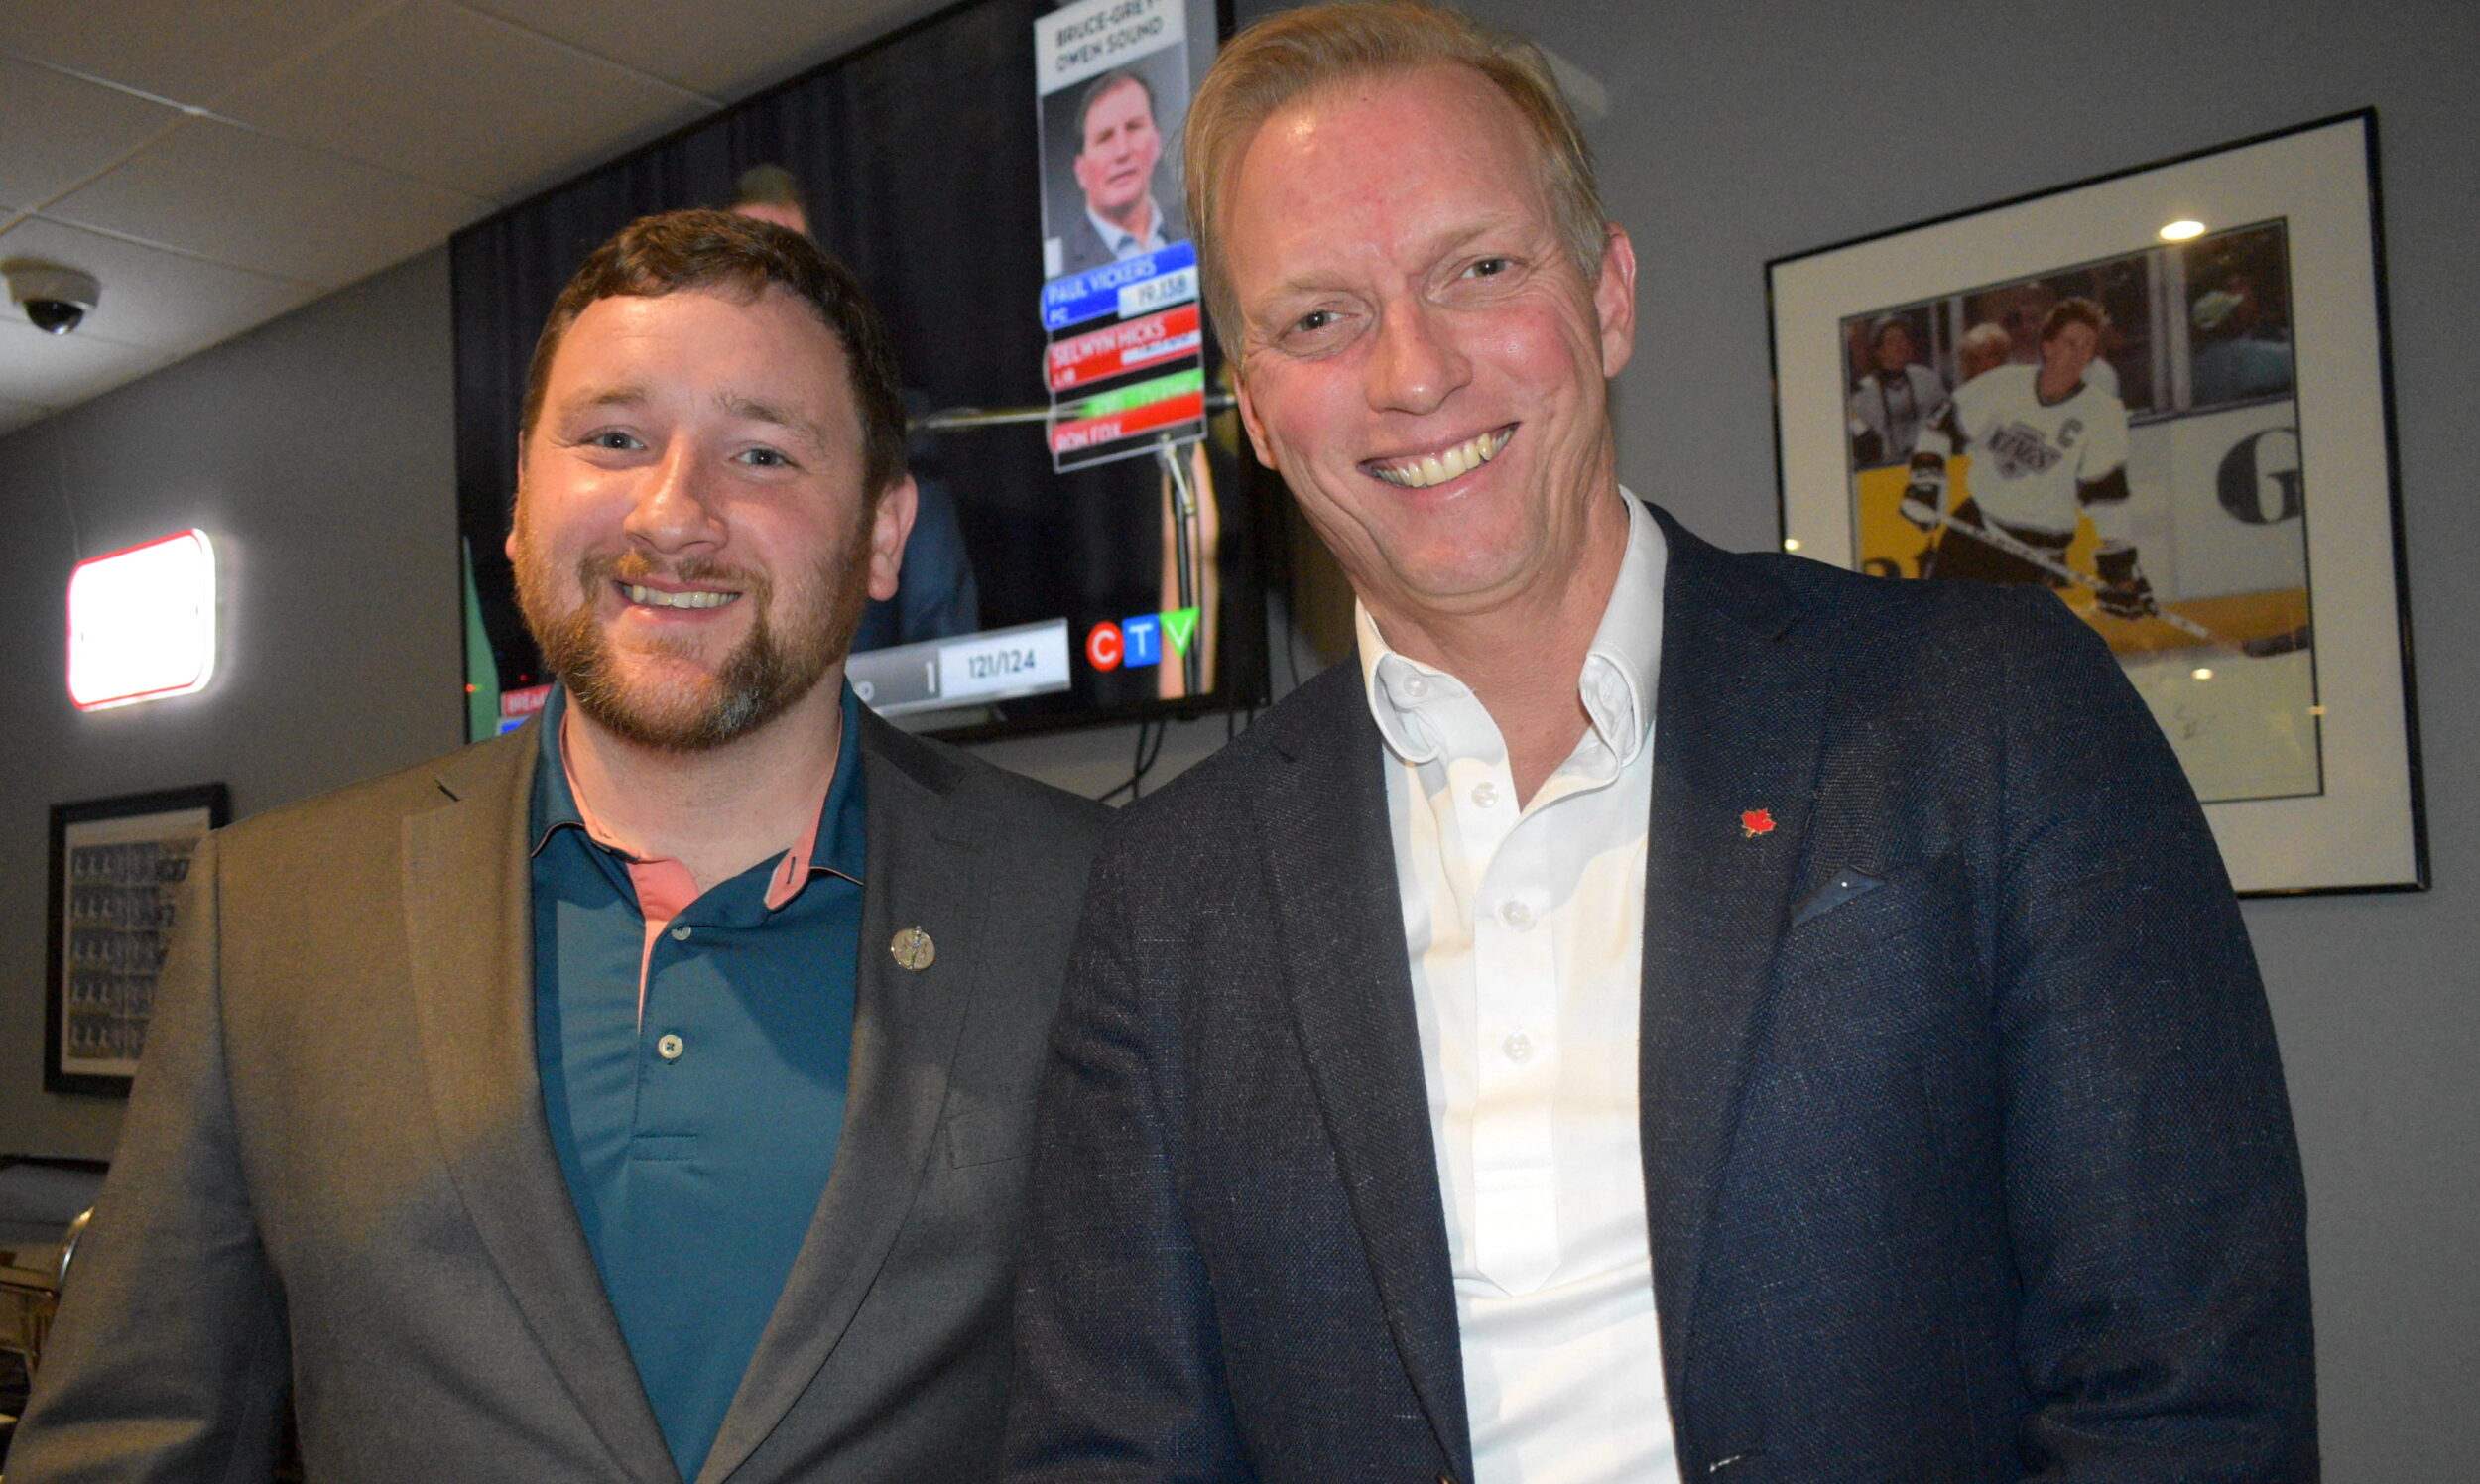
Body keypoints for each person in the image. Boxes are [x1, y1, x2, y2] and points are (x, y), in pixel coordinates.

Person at [1004, 5, 2313, 1482]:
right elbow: (1115, 1452)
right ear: (1252, 406)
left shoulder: (1993, 714)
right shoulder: (1167, 891)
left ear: (1610, 296)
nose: (1413, 373)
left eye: (1480, 268)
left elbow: (2186, 1396)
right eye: (1319, 317)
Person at [11, 211, 1105, 1483]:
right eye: (612, 439)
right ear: (521, 509)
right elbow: (129, 1445)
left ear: (880, 531)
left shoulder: (1089, 900)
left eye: (760, 451)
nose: (675, 513)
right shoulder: (274, 916)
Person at [726, 167, 982, 648]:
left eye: (785, 262)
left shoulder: (897, 426)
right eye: (742, 262)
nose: (763, 286)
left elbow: (941, 619)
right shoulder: (680, 433)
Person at [1905, 297, 2157, 616]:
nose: (2078, 353)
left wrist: (2120, 571)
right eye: (2070, 343)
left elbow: (2106, 493)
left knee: (1993, 640)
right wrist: (1926, 484)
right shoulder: (2004, 384)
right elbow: (1940, 428)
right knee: (1932, 621)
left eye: (2087, 345)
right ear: (2048, 346)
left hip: (2031, 551)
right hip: (1975, 525)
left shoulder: (2102, 414)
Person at [1054, 68, 1189, 278]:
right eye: (1105, 138)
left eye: (1133, 127)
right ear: (1080, 170)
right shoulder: (1061, 266)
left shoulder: (1197, 228)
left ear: (1156, 141)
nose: (1122, 151)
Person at [1843, 314, 1944, 465]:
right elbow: (1860, 441)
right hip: (1885, 470)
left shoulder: (1927, 379)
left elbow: (1946, 412)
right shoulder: (1863, 394)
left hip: (1927, 463)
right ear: (1878, 352)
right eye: (1891, 342)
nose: (1899, 346)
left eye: (1902, 340)